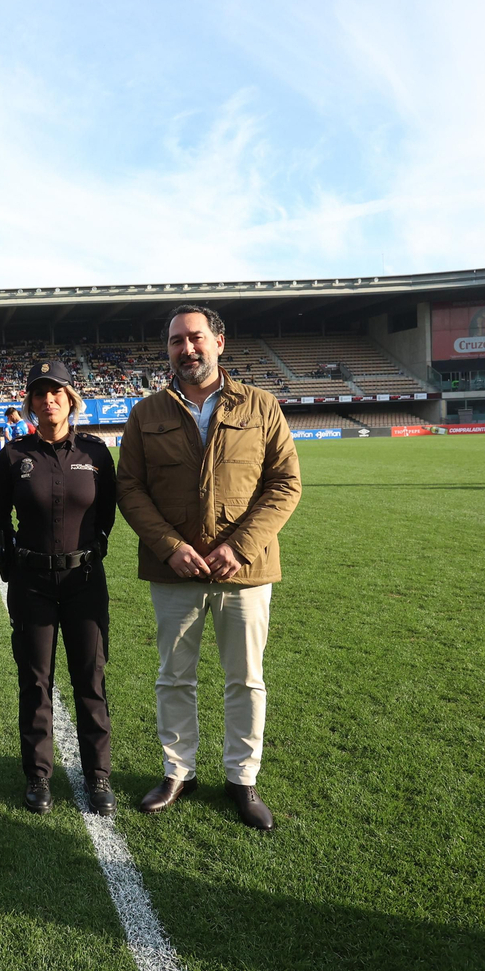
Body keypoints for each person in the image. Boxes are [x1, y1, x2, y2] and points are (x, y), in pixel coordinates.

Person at [117, 304, 301, 830]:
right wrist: (169, 546)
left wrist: (239, 547)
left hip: (245, 570)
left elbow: (285, 484)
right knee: (174, 677)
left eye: (195, 337)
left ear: (219, 342)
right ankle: (179, 772)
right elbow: (129, 488)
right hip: (174, 570)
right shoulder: (146, 413)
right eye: (176, 340)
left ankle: (243, 778)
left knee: (245, 678)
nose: (187, 348)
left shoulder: (261, 405)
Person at [0, 359, 117, 816]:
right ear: (30, 403)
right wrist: (8, 557)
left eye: (57, 392)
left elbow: (107, 513)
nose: (49, 401)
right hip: (33, 585)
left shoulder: (96, 454)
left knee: (90, 680)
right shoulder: (13, 456)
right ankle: (38, 775)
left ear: (70, 399)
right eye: (40, 394)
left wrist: (93, 550)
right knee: (35, 682)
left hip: (85, 583)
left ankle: (98, 775)